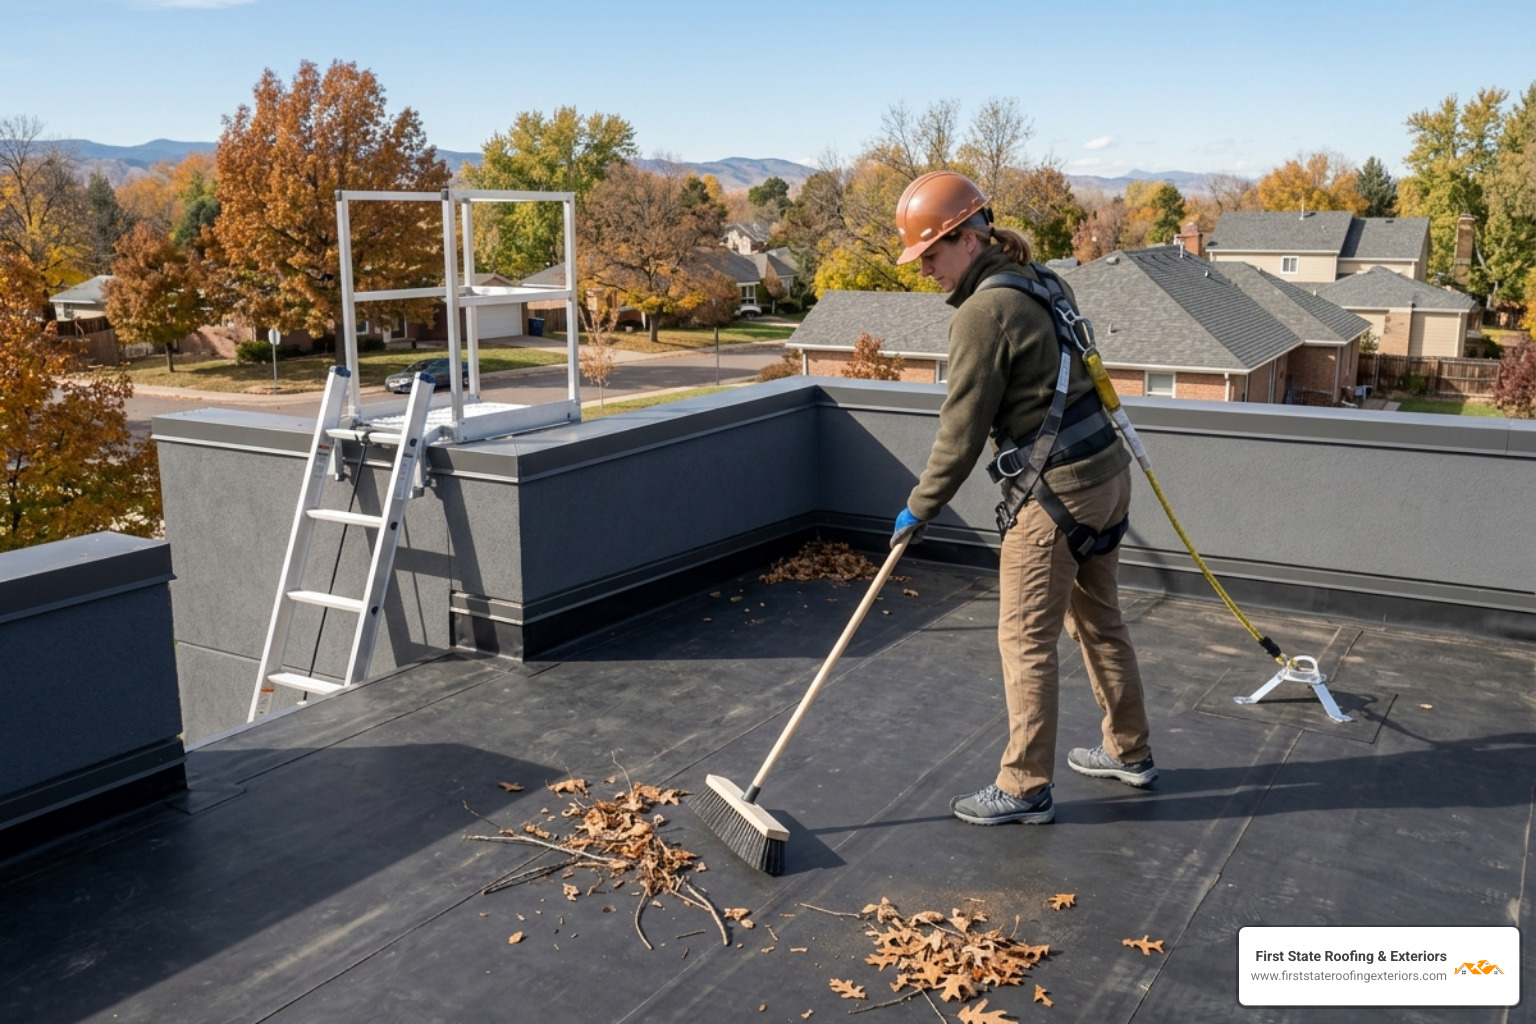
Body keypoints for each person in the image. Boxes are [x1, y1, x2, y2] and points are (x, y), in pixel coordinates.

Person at [888, 170, 1155, 826]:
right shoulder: (1043, 280)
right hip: (1107, 479)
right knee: (1101, 623)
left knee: (1024, 639)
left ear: (969, 239)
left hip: (1058, 495)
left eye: (931, 253)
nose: (925, 269)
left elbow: (960, 431)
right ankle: (1130, 751)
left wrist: (921, 506)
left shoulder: (983, 314)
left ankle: (1025, 786)